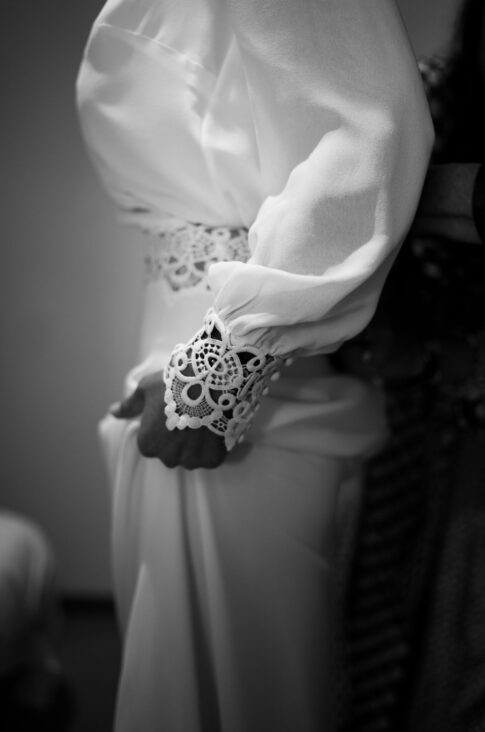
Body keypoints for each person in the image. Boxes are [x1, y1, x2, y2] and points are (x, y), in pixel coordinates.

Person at [76, 1, 432, 730]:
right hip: (178, 369)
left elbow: (365, 136)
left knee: (250, 696)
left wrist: (220, 374)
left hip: (248, 400)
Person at [337, 1, 485, 729]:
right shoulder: (426, 98)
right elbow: (353, 215)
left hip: (454, 391)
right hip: (409, 399)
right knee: (386, 601)